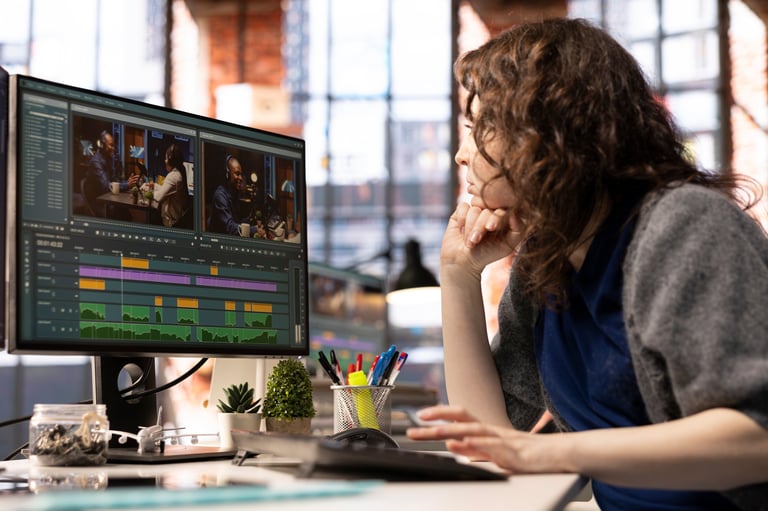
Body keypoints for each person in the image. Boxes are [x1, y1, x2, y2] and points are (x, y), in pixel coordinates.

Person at [405, 18, 768, 510]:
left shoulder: (685, 225)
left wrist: (551, 451)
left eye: (478, 128)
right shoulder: (547, 260)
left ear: (547, 134)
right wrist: (458, 274)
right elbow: (492, 444)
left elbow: (757, 439)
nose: (460, 155)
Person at [83, 130, 139, 218]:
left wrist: (126, 182)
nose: (113, 148)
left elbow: (114, 180)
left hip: (107, 198)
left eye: (113, 145)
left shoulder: (107, 159)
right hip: (99, 202)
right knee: (123, 213)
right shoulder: (96, 162)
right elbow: (106, 186)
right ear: (102, 145)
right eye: (111, 145)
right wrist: (127, 185)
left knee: (125, 212)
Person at [207, 155, 253, 236]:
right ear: (227, 174)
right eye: (237, 174)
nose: (241, 178)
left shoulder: (233, 194)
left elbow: (237, 222)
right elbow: (230, 227)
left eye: (241, 174)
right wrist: (254, 230)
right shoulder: (220, 196)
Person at [153, 143, 191, 228]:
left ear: (170, 160)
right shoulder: (178, 173)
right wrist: (154, 186)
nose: (165, 161)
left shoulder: (173, 176)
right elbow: (166, 190)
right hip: (177, 221)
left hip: (171, 224)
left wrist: (149, 192)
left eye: (166, 158)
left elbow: (159, 197)